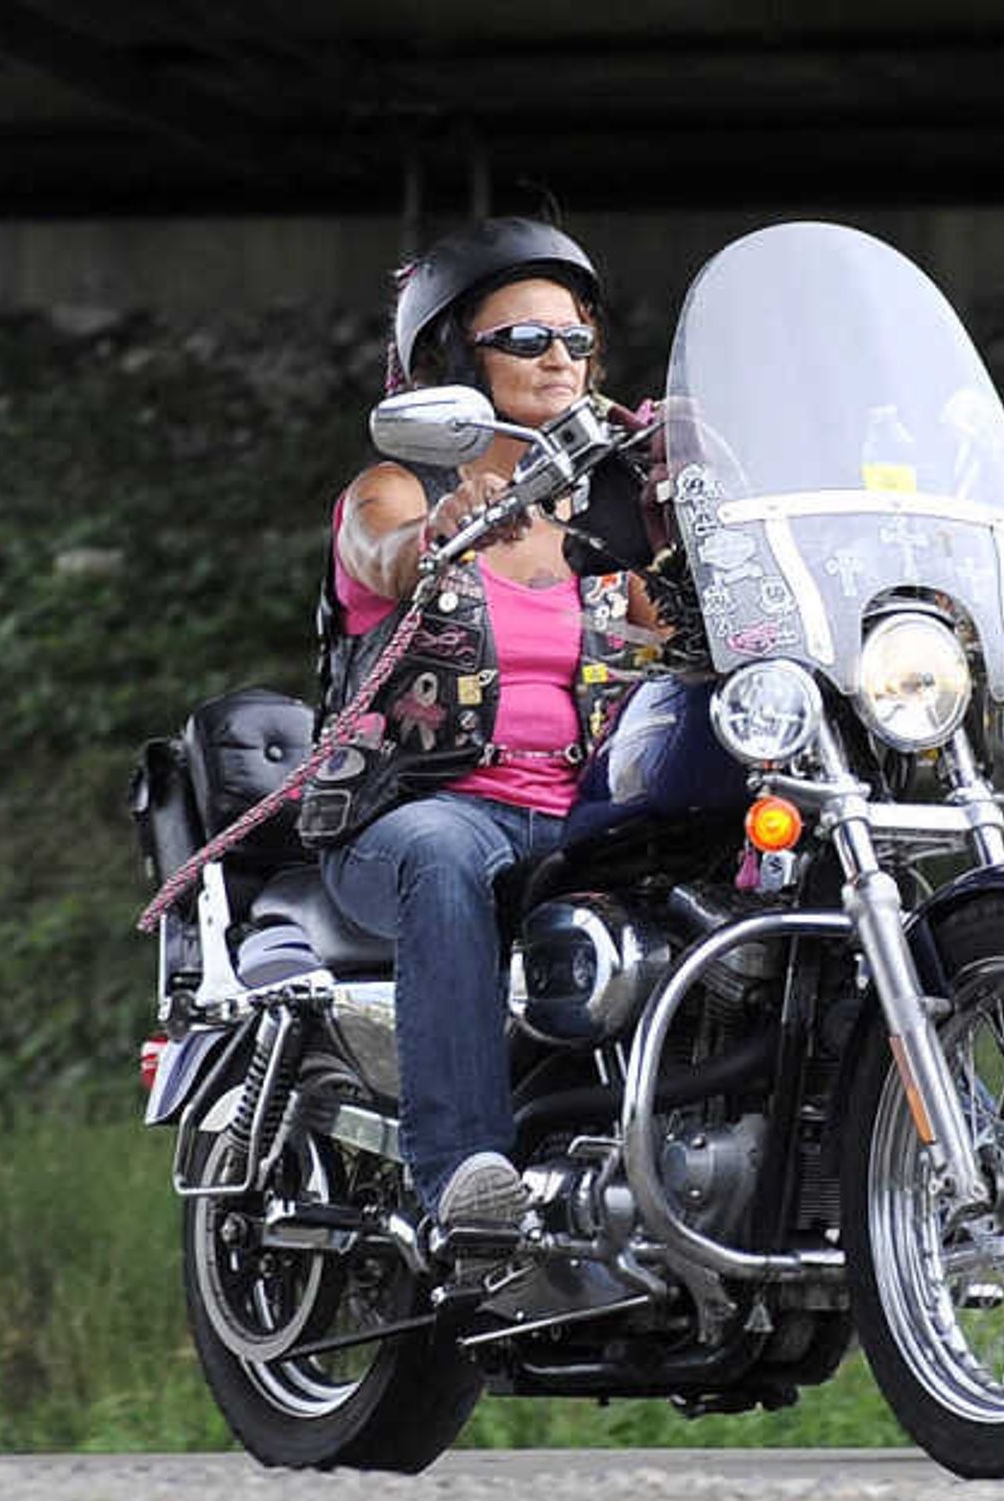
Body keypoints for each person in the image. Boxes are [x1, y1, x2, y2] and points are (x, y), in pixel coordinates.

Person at [302, 217, 652, 1240]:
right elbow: (384, 557)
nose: (560, 360)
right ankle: (464, 1183)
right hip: (411, 815)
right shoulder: (397, 490)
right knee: (446, 850)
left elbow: (671, 631)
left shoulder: (605, 519)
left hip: (584, 820)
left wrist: (687, 508)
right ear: (456, 365)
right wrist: (452, 525)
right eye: (527, 341)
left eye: (576, 341)